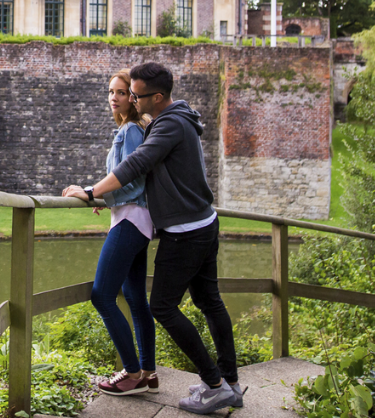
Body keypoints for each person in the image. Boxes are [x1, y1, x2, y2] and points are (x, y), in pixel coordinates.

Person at [64, 61, 244, 415]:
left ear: (156, 97)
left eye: (134, 93)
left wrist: (92, 191)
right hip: (204, 222)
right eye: (121, 91)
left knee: (161, 305)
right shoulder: (177, 119)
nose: (129, 97)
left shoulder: (168, 125)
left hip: (186, 232)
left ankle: (214, 385)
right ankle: (229, 383)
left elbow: (136, 165)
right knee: (209, 302)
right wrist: (105, 195)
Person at [62, 69, 156, 396]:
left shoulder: (131, 130)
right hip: (136, 219)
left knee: (102, 295)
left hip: (131, 219)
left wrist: (92, 192)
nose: (113, 97)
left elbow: (134, 178)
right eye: (110, 91)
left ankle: (131, 373)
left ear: (133, 97)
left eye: (120, 92)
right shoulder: (132, 129)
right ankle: (148, 373)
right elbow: (126, 181)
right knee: (133, 298)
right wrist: (105, 196)